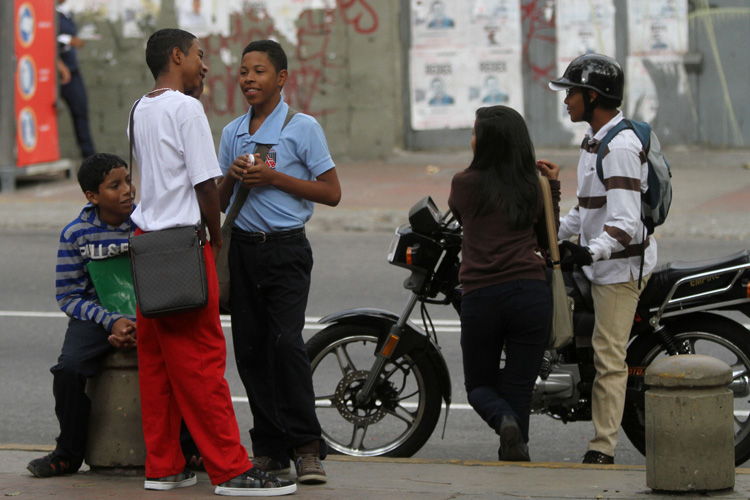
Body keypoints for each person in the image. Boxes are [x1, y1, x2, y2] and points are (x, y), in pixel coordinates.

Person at [128, 28, 296, 496]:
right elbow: (207, 186)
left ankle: (163, 466)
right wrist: (216, 239)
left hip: (146, 247)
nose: (205, 66)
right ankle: (231, 470)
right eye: (199, 56)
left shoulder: (140, 107)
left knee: (157, 366)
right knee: (202, 361)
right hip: (183, 246)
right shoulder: (186, 108)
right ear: (177, 55)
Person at [216, 39, 341, 484]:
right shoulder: (233, 132)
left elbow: (332, 192)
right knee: (250, 351)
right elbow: (217, 203)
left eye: (260, 71)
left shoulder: (302, 127)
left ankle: (308, 448)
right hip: (244, 252)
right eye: (244, 71)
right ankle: (269, 447)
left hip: (286, 249)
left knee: (287, 344)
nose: (249, 79)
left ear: (282, 78)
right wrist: (231, 177)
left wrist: (274, 178)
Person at [541, 53, 656, 465]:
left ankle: (603, 447)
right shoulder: (593, 141)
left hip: (619, 268)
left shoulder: (619, 146)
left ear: (592, 96)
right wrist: (552, 238)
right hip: (599, 262)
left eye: (571, 92)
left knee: (610, 354)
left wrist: (588, 250)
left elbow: (625, 223)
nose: (565, 99)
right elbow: (586, 210)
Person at [447, 106, 560, 462]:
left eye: (475, 132)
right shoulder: (532, 184)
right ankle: (516, 455)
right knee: (518, 388)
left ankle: (504, 420)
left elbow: (460, 217)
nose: (472, 138)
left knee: (479, 385)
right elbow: (547, 235)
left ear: (487, 142)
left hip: (483, 296)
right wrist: (552, 187)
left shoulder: (463, 184)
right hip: (530, 294)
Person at [26, 153, 137, 478]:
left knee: (178, 362)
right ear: (92, 196)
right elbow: (69, 296)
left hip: (144, 315)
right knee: (68, 370)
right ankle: (68, 453)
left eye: (128, 180)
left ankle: (187, 449)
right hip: (97, 318)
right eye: (114, 186)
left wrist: (136, 322)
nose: (127, 190)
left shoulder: (147, 224)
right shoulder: (76, 234)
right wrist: (111, 321)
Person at [56, 0, 96, 158]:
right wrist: (68, 41)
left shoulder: (65, 12)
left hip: (71, 70)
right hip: (51, 71)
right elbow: (44, 37)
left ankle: (89, 156)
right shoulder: (45, 11)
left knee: (80, 110)